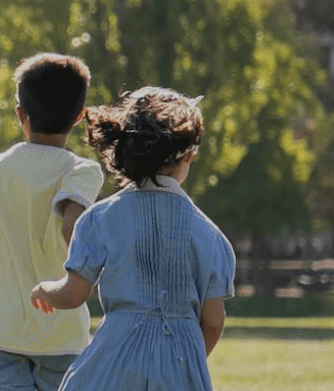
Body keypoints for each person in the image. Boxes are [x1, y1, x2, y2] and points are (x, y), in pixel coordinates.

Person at [30, 86, 234, 391]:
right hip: (179, 369)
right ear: (189, 155)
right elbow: (214, 321)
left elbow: (72, 295)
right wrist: (186, 359)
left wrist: (46, 290)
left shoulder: (100, 218)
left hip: (115, 362)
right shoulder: (211, 236)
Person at [0, 53, 105, 391]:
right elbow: (71, 227)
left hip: (1, 332)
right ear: (79, 117)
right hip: (61, 332)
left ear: (20, 116)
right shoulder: (82, 171)